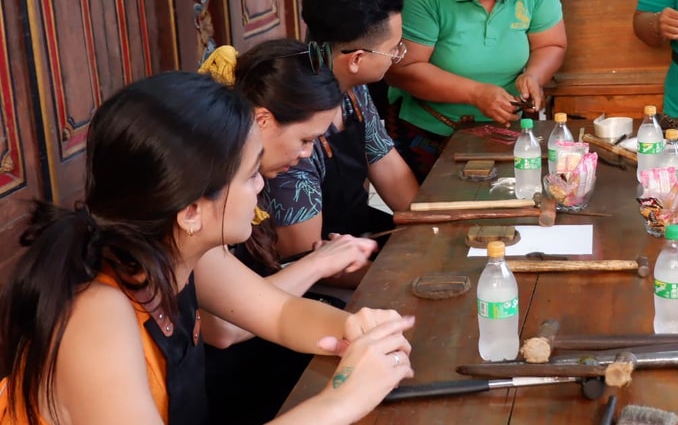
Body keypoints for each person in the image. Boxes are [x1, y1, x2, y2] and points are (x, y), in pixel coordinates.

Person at [0, 71, 415, 425]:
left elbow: (281, 313)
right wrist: (342, 399)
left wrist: (357, 332)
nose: (261, 185)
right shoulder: (94, 316)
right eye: (252, 174)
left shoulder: (179, 249)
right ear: (192, 210)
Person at [200, 39, 381, 424]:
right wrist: (317, 263)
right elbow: (225, 328)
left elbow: (277, 311)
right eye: (305, 140)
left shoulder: (232, 191)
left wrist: (356, 330)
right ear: (263, 120)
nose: (306, 155)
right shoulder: (208, 203)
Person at [386, 0, 567, 180]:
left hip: (511, 132)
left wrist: (533, 76)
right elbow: (403, 69)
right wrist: (475, 94)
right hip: (433, 133)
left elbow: (551, 44)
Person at [261, 0, 420, 267]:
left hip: (358, 241)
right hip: (316, 272)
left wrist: (436, 228)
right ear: (357, 59)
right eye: (393, 49)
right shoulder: (292, 121)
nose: (399, 55)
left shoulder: (354, 92)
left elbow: (393, 175)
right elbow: (303, 255)